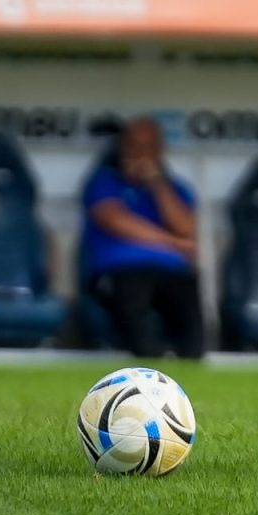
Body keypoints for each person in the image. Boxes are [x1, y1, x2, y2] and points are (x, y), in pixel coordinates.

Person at [81, 117, 204, 359]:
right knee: (144, 339)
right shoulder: (104, 181)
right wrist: (174, 244)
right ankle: (146, 367)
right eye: (134, 145)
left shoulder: (175, 188)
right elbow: (114, 220)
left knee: (192, 341)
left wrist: (156, 182)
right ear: (122, 147)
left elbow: (186, 229)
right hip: (121, 272)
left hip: (172, 273)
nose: (140, 153)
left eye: (148, 147)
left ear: (159, 150)